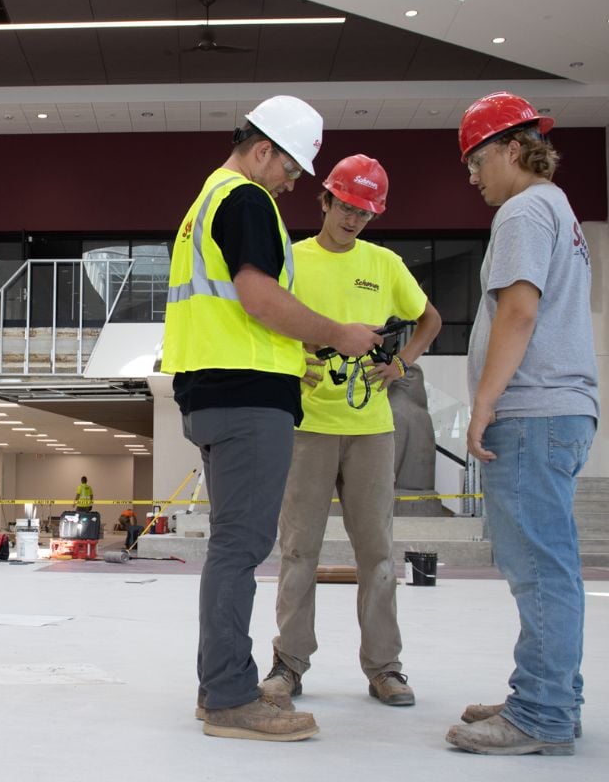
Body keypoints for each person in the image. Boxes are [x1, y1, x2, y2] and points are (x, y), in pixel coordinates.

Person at [161, 95, 383, 742]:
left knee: (233, 545)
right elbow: (259, 297)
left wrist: (292, 358)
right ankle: (230, 696)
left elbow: (233, 308)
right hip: (244, 400)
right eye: (292, 169)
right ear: (264, 151)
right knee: (240, 546)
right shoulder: (246, 199)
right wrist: (337, 335)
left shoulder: (205, 200)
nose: (293, 183)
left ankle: (221, 685)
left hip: (215, 390)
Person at [444, 91, 599, 756]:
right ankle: (552, 694)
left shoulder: (525, 209)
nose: (472, 175)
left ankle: (540, 712)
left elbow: (519, 311)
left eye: (477, 160)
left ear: (513, 148)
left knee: (538, 567)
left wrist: (484, 400)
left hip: (532, 411)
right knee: (544, 562)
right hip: (557, 410)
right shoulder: (558, 209)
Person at [259, 155, 441, 710]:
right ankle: (288, 665)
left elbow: (427, 318)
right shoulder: (291, 259)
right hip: (309, 426)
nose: (354, 218)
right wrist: (293, 359)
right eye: (346, 205)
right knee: (297, 552)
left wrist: (402, 364)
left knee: (378, 555)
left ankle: (385, 668)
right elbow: (264, 318)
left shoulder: (384, 264)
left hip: (370, 430)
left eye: (365, 211)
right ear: (325, 200)